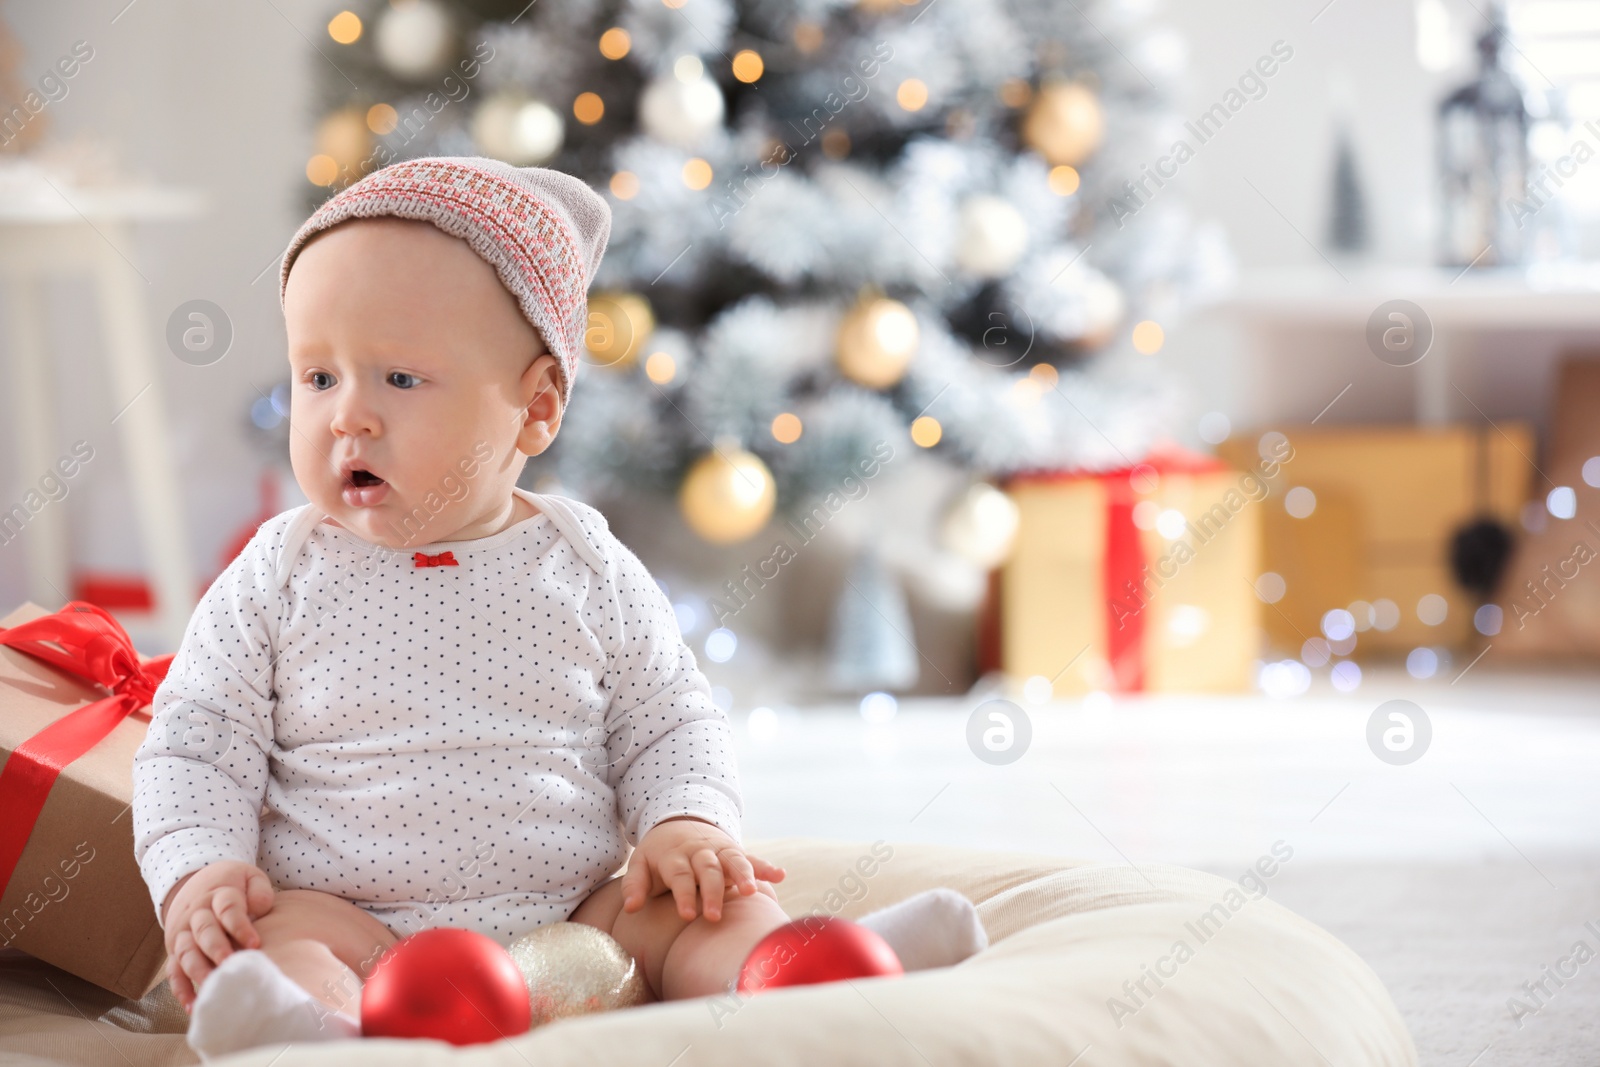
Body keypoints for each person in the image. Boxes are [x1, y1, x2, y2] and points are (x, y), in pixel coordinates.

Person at [131, 157, 986, 1059]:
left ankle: (802, 973)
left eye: (401, 380)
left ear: (536, 408)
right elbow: (196, 741)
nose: (350, 417)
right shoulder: (279, 572)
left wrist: (685, 823)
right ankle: (313, 1027)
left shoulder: (585, 566)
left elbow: (669, 719)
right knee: (273, 933)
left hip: (584, 933)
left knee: (701, 900)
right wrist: (200, 870)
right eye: (319, 377)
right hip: (358, 923)